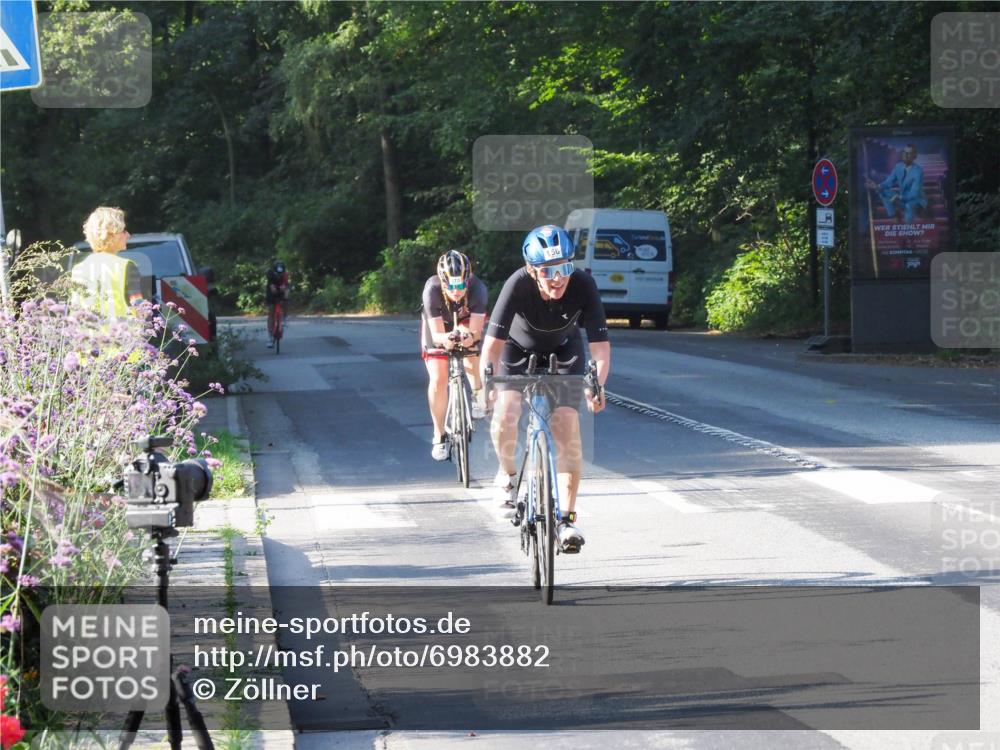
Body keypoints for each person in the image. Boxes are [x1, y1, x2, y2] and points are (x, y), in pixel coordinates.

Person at [479, 225, 610, 552]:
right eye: (548, 271)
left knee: (567, 423)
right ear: (532, 270)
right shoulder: (517, 284)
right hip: (516, 350)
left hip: (565, 351)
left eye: (564, 267)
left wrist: (596, 385)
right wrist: (488, 383)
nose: (558, 278)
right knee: (506, 415)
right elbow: (492, 345)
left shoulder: (583, 284)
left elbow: (600, 348)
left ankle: (566, 519)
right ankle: (508, 476)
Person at [421, 250, 488, 461]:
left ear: (468, 280)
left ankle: (478, 395)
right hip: (440, 325)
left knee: (472, 354)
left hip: (466, 320)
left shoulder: (478, 289)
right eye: (450, 285)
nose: (456, 291)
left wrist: (470, 337)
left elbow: (477, 332)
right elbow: (437, 334)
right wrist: (446, 339)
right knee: (439, 379)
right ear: (442, 282)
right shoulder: (432, 290)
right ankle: (439, 434)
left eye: (461, 285)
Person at [71, 206, 144, 318]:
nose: (128, 235)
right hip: (121, 333)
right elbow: (140, 310)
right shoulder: (126, 266)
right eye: (123, 231)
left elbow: (74, 312)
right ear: (111, 233)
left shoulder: (78, 269)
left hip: (87, 334)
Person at [866, 144, 927, 224]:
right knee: (881, 191)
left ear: (914, 156)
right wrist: (877, 186)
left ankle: (908, 226)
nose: (905, 155)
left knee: (909, 207)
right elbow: (889, 182)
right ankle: (893, 215)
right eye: (904, 152)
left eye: (909, 153)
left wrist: (900, 197)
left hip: (916, 200)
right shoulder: (898, 166)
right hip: (901, 198)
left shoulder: (918, 171)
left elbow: (914, 193)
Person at [265, 260, 289, 348]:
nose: (279, 275)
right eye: (278, 274)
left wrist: (284, 287)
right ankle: (270, 336)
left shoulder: (285, 274)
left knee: (287, 293)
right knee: (271, 312)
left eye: (281, 274)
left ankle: (285, 317)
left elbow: (286, 284)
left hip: (281, 289)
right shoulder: (270, 273)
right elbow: (271, 286)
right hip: (272, 290)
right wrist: (273, 288)